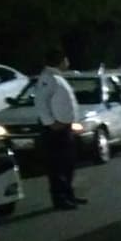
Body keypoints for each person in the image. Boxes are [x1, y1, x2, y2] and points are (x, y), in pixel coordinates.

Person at [36, 49, 84, 210]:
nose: (68, 62)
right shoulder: (48, 78)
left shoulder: (57, 77)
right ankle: (60, 199)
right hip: (55, 130)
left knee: (68, 163)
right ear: (61, 60)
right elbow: (41, 102)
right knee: (57, 166)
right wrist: (51, 123)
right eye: (66, 59)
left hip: (64, 127)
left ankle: (69, 194)